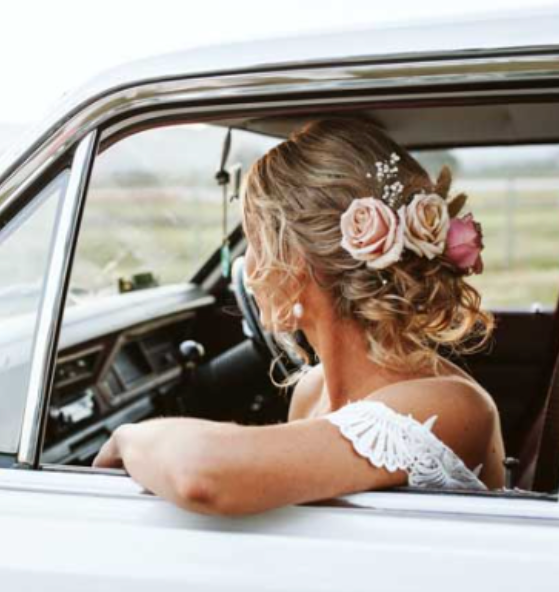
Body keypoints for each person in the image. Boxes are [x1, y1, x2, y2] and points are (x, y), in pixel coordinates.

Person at [93, 117, 506, 514]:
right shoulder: (312, 389)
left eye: (256, 243)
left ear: (304, 262)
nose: (249, 271)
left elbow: (202, 474)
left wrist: (126, 438)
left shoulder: (454, 405)